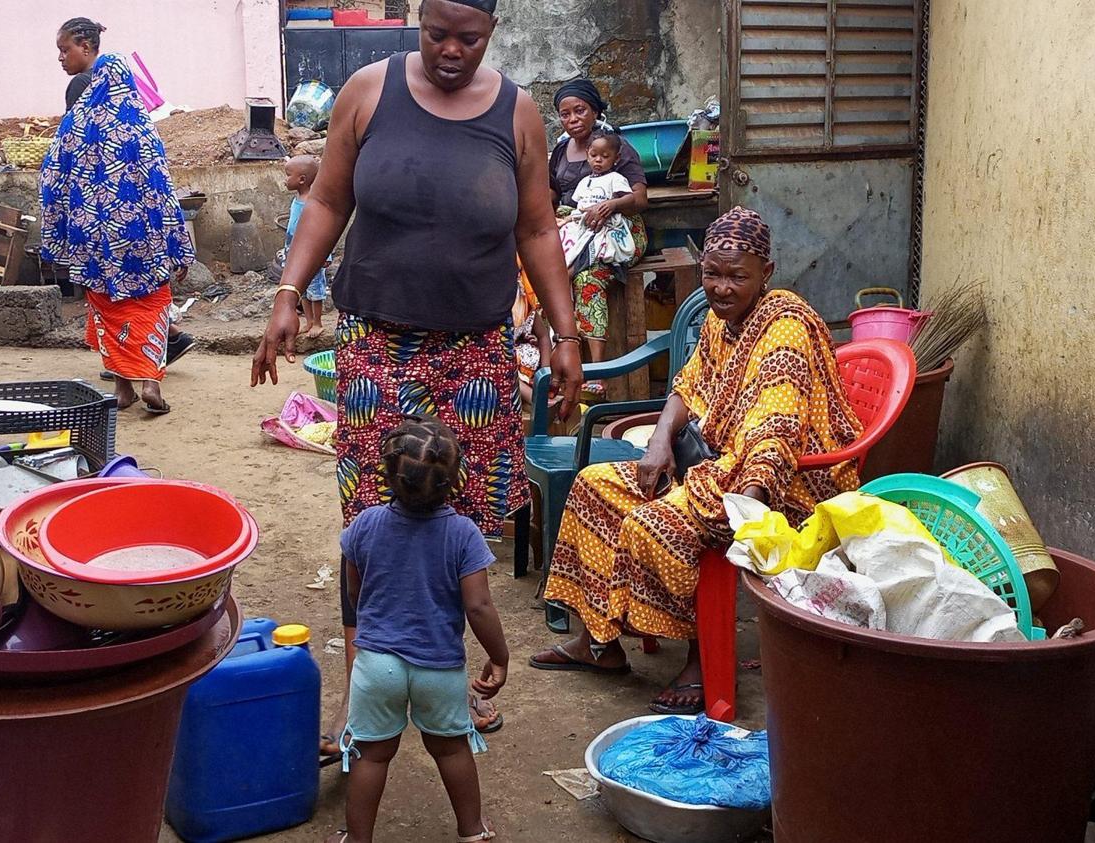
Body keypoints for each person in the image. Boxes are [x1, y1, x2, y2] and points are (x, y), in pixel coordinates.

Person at [251, 0, 585, 741]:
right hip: (376, 342)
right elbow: (328, 198)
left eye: (469, 38)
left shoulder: (518, 115)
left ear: (490, 32)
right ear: (420, 20)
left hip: (476, 353)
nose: (451, 51)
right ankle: (362, 686)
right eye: (437, 34)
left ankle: (446, 679)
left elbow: (536, 228)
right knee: (371, 520)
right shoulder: (369, 92)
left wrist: (565, 333)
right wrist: (288, 292)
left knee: (455, 521)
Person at [530, 207, 865, 714]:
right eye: (712, 274)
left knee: (660, 524)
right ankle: (598, 643)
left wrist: (744, 506)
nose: (721, 288)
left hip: (787, 481)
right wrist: (660, 441)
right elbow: (686, 388)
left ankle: (703, 656)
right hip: (715, 462)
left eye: (737, 277)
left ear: (766, 273)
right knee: (595, 485)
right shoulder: (718, 321)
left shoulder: (785, 327)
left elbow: (775, 430)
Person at [333, 417, 505, 843]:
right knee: (451, 748)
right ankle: (472, 831)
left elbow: (355, 590)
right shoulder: (463, 534)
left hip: (376, 664)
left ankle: (357, 840)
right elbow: (478, 606)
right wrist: (499, 656)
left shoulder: (366, 523)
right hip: (439, 666)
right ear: (455, 480)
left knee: (371, 756)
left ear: (388, 475)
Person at [43, 17, 195, 416]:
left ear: (86, 47)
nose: (60, 57)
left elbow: (52, 177)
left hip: (93, 237)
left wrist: (60, 232)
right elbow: (161, 187)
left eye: (64, 50)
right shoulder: (140, 125)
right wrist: (178, 245)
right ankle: (150, 382)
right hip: (140, 235)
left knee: (106, 306)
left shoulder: (75, 122)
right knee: (152, 303)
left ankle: (123, 387)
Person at [547, 79, 649, 391]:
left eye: (580, 111)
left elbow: (640, 199)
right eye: (565, 114)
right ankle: (550, 364)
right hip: (576, 228)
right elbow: (552, 193)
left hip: (617, 232)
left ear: (595, 111)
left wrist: (610, 205)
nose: (573, 119)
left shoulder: (616, 147)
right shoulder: (561, 150)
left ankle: (596, 371)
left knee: (586, 280)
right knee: (542, 275)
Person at [557, 132, 639, 275]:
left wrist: (612, 204)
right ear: (587, 155)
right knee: (564, 241)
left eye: (605, 156)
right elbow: (580, 209)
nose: (598, 160)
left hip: (602, 225)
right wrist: (566, 220)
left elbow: (630, 198)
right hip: (582, 224)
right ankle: (562, 270)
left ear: (616, 158)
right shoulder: (584, 182)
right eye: (593, 155)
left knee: (589, 245)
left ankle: (569, 274)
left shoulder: (615, 178)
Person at [283, 155, 333, 338]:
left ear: (302, 179)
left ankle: (318, 323)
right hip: (296, 255)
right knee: (302, 290)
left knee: (315, 290)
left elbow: (323, 230)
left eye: (288, 175)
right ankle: (309, 321)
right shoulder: (298, 199)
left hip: (312, 256)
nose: (285, 180)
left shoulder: (313, 203)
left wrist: (326, 255)